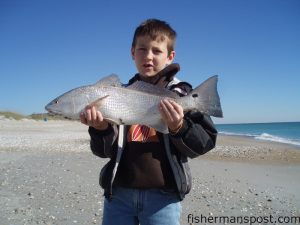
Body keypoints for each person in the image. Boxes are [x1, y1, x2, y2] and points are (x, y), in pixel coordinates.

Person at [80, 19, 217, 225]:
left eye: (157, 51)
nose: (148, 56)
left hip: (164, 199)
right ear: (132, 52)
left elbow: (204, 144)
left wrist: (179, 127)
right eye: (142, 49)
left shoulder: (182, 94)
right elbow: (103, 152)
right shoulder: (117, 95)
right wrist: (100, 130)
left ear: (170, 56)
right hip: (118, 196)